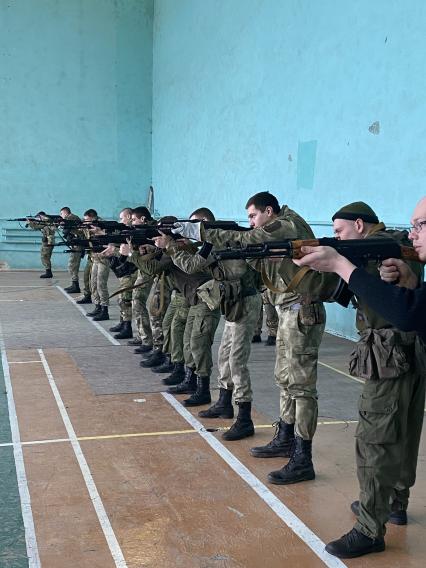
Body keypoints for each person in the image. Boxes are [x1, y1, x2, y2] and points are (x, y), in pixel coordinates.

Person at [293, 198, 426, 559]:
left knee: (375, 438)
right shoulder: (390, 251)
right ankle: (394, 502)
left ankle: (370, 527)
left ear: (361, 226)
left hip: (390, 356)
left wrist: (340, 264)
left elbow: (401, 308)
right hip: (409, 353)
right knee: (403, 431)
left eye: (338, 232)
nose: (413, 234)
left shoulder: (388, 247)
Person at [60, 206, 83, 293]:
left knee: (72, 265)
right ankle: (74, 284)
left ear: (65, 212)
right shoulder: (71, 218)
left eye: (61, 214)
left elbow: (66, 231)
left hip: (78, 244)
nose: (61, 216)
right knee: (73, 265)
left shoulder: (71, 217)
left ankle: (76, 286)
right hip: (75, 244)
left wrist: (61, 224)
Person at [26, 212, 55, 278]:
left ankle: (48, 273)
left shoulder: (46, 221)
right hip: (48, 241)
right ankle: (48, 271)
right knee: (46, 257)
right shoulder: (47, 222)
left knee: (45, 256)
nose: (38, 219)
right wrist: (32, 222)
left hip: (48, 242)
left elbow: (36, 227)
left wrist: (30, 222)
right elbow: (37, 226)